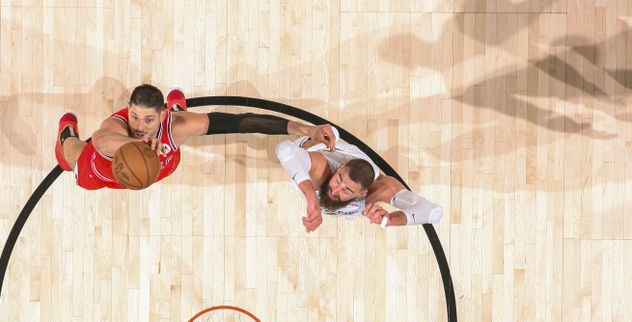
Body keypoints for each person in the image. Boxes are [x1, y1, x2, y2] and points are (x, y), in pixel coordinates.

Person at [54, 84, 337, 190]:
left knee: (186, 126)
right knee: (70, 157)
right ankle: (66, 131)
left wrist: (307, 130)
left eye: (149, 119)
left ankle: (180, 110)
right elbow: (101, 140)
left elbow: (242, 122)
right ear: (127, 111)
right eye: (134, 116)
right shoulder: (117, 127)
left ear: (162, 116)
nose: (139, 125)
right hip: (104, 173)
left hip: (160, 164)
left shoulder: (173, 127)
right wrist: (135, 144)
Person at [275, 128, 443, 232]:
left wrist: (390, 220)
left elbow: (433, 212)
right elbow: (284, 151)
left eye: (346, 190)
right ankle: (317, 134)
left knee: (349, 209)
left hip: (352, 196)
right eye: (338, 180)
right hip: (307, 151)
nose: (335, 190)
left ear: (363, 193)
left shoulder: (381, 188)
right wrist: (311, 199)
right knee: (284, 162)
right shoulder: (323, 169)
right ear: (340, 169)